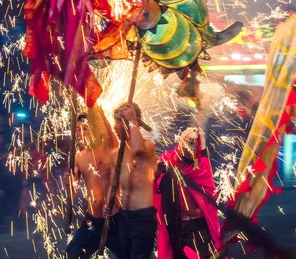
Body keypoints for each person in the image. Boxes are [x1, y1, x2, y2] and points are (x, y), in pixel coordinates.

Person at [155, 127, 221, 259]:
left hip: (200, 225)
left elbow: (208, 197)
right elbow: (152, 180)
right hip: (177, 225)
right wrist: (157, 171)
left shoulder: (202, 165)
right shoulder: (166, 159)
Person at [66, 108, 122, 259]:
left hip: (116, 218)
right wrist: (69, 183)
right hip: (93, 221)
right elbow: (73, 192)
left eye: (85, 128)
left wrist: (97, 108)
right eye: (78, 130)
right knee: (73, 253)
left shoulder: (108, 147)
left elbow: (110, 134)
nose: (81, 133)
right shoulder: (78, 157)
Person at [105, 103, 157, 259]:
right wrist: (110, 203)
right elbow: (114, 183)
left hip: (143, 217)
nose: (114, 127)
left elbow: (138, 150)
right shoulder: (115, 154)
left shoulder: (148, 147)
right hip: (124, 215)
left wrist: (132, 118)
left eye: (119, 122)